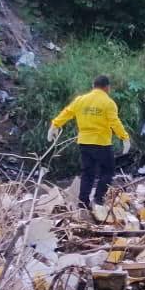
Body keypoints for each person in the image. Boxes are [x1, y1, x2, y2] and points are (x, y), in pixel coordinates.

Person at [48, 74, 130, 211]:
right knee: (108, 172)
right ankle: (98, 200)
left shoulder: (81, 100)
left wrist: (55, 125)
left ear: (93, 86)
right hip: (102, 143)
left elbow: (67, 112)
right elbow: (114, 122)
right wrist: (124, 137)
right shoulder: (108, 103)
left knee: (87, 173)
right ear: (107, 88)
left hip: (84, 143)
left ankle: (83, 203)